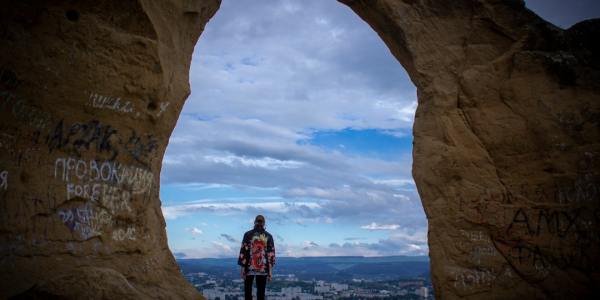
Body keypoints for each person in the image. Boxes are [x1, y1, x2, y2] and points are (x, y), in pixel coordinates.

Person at [238, 215, 276, 300]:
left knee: (248, 291)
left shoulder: (247, 234)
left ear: (254, 222)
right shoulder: (268, 236)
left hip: (249, 267)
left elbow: (243, 252)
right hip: (263, 268)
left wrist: (242, 268)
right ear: (264, 223)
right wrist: (270, 272)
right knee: (261, 292)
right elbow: (270, 255)